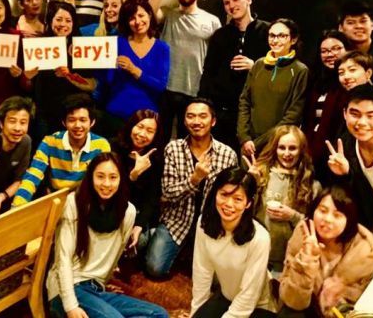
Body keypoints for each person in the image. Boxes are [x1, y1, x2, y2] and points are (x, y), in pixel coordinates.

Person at [47, 152, 169, 318]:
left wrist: (101, 284)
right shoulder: (74, 203)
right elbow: (63, 259)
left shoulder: (128, 212)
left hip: (95, 289)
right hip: (66, 289)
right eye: (100, 176)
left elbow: (114, 256)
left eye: (113, 177)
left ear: (121, 179)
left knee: (159, 314)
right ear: (91, 177)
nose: (106, 183)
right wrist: (71, 306)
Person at [147, 98, 238, 278]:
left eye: (202, 116)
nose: (196, 121)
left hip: (211, 225)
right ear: (184, 120)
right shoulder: (173, 149)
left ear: (213, 121)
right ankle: (152, 234)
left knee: (216, 278)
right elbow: (168, 193)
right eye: (191, 116)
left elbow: (230, 195)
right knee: (155, 269)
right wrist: (194, 179)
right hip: (176, 221)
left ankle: (189, 250)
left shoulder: (228, 155)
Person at [278, 185, 373, 317]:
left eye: (337, 215)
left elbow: (371, 300)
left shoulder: (365, 251)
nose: (327, 219)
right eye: (323, 211)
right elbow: (293, 301)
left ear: (349, 220)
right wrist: (306, 260)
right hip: (308, 309)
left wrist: (342, 292)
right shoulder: (303, 235)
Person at [189, 168, 276, 318]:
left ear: (248, 203)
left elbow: (248, 296)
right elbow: (201, 272)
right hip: (227, 296)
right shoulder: (204, 223)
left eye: (238, 199)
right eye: (224, 195)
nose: (229, 204)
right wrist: (195, 312)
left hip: (258, 306)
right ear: (215, 194)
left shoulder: (260, 238)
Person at [326, 84, 373, 249]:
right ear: (345, 114)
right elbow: (353, 201)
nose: (362, 122)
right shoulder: (343, 147)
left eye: (371, 115)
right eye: (355, 114)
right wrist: (345, 174)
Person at [198, 0, 270, 150]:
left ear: (248, 0)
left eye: (236, 0)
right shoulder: (220, 36)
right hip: (224, 113)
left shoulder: (268, 32)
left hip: (256, 113)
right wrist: (204, 106)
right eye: (226, 3)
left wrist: (255, 66)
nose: (231, 5)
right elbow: (208, 74)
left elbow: (279, 72)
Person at [12, 94, 111, 207]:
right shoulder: (49, 142)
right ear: (64, 122)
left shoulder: (101, 145)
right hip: (56, 200)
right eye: (71, 120)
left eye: (83, 120)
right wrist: (17, 206)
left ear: (92, 122)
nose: (77, 125)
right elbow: (33, 176)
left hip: (84, 201)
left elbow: (103, 180)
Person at [157, 0, 221, 141]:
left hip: (195, 91)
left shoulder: (212, 21)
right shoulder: (167, 14)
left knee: (188, 141)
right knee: (160, 139)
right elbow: (150, 8)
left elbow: (218, 58)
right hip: (165, 89)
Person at [95, 0, 170, 135]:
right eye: (131, 18)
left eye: (141, 16)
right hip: (116, 113)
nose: (137, 22)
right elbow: (107, 81)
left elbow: (160, 86)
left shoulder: (162, 48)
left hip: (145, 118)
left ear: (149, 15)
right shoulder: (117, 43)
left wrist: (134, 70)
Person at [247, 125, 316, 274]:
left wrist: (292, 216)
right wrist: (252, 185)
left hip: (290, 260)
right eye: (282, 148)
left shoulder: (311, 184)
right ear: (274, 149)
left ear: (301, 150)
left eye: (292, 148)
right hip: (257, 254)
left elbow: (315, 228)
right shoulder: (262, 174)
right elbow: (245, 214)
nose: (286, 153)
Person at [24, 1, 95, 147]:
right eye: (59, 19)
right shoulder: (38, 45)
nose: (63, 24)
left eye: (68, 20)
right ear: (50, 21)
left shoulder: (83, 47)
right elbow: (29, 84)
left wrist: (69, 76)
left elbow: (91, 85)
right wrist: (27, 76)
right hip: (45, 112)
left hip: (73, 113)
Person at [238, 18, 309, 158]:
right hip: (249, 146)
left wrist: (260, 142)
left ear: (293, 40)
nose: (275, 40)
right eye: (272, 35)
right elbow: (245, 101)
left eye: (282, 36)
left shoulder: (300, 70)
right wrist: (244, 138)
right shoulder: (258, 65)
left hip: (279, 146)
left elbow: (293, 115)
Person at [112, 110, 164, 261]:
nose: (142, 134)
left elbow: (151, 197)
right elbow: (111, 191)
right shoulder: (113, 147)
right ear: (131, 126)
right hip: (112, 205)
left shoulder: (156, 158)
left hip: (137, 211)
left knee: (138, 241)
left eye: (150, 131)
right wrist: (134, 175)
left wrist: (139, 226)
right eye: (139, 127)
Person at [303, 31, 350, 184]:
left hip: (339, 155)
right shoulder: (315, 81)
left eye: (336, 48)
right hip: (311, 152)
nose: (330, 54)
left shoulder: (351, 81)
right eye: (324, 51)